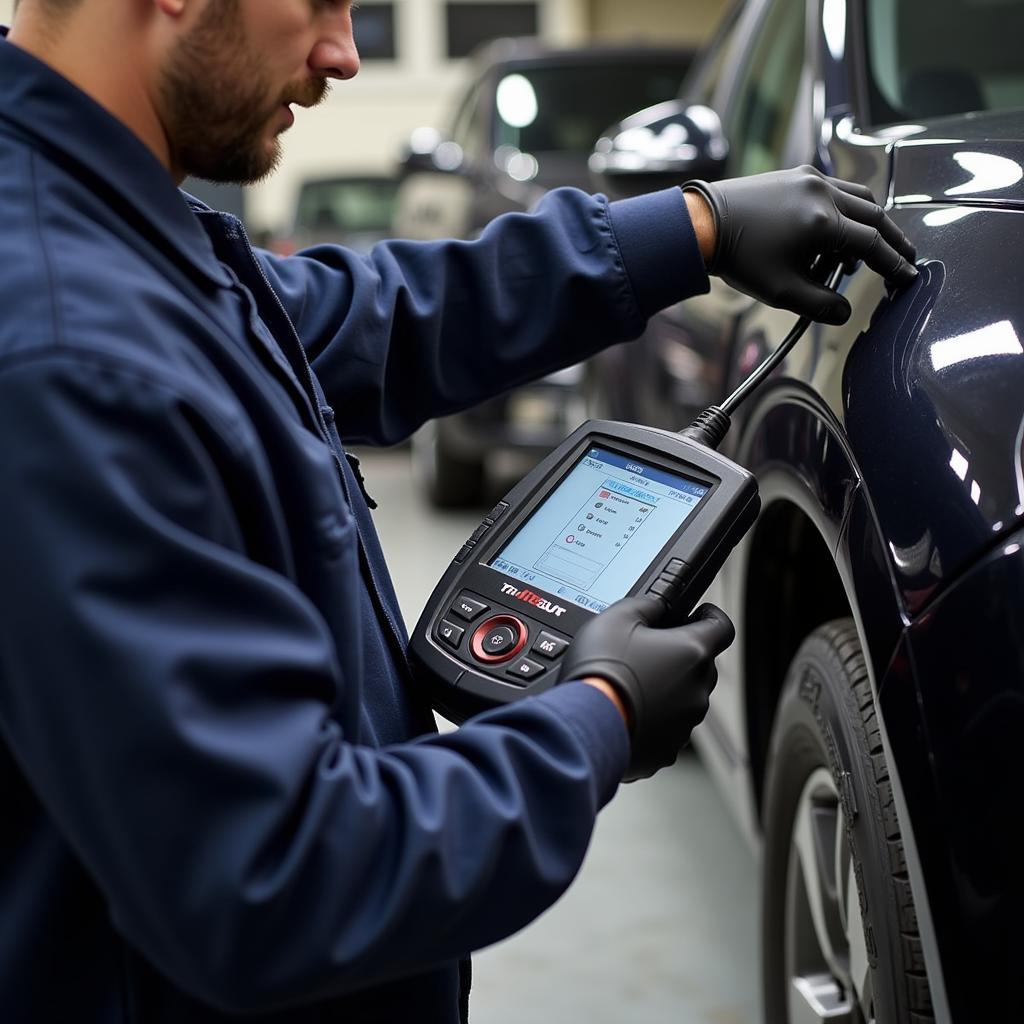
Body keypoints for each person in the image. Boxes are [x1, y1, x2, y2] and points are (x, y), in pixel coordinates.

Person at [0, 1, 917, 1021]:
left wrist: (688, 228)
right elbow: (276, 879)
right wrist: (596, 716)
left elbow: (365, 320)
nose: (344, 54)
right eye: (319, 2)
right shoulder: (67, 350)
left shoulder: (107, 229)